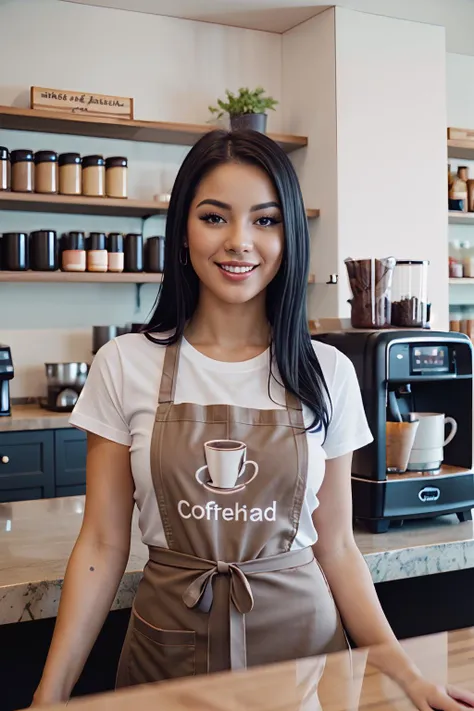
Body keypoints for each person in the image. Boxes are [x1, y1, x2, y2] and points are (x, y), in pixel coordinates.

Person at [32, 130, 473, 709]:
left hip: (304, 657)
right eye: (215, 217)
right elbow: (103, 543)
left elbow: (336, 547)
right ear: (182, 230)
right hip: (167, 654)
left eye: (265, 221)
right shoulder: (124, 364)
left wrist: (406, 673)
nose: (240, 242)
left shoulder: (328, 371)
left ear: (290, 236)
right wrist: (49, 696)